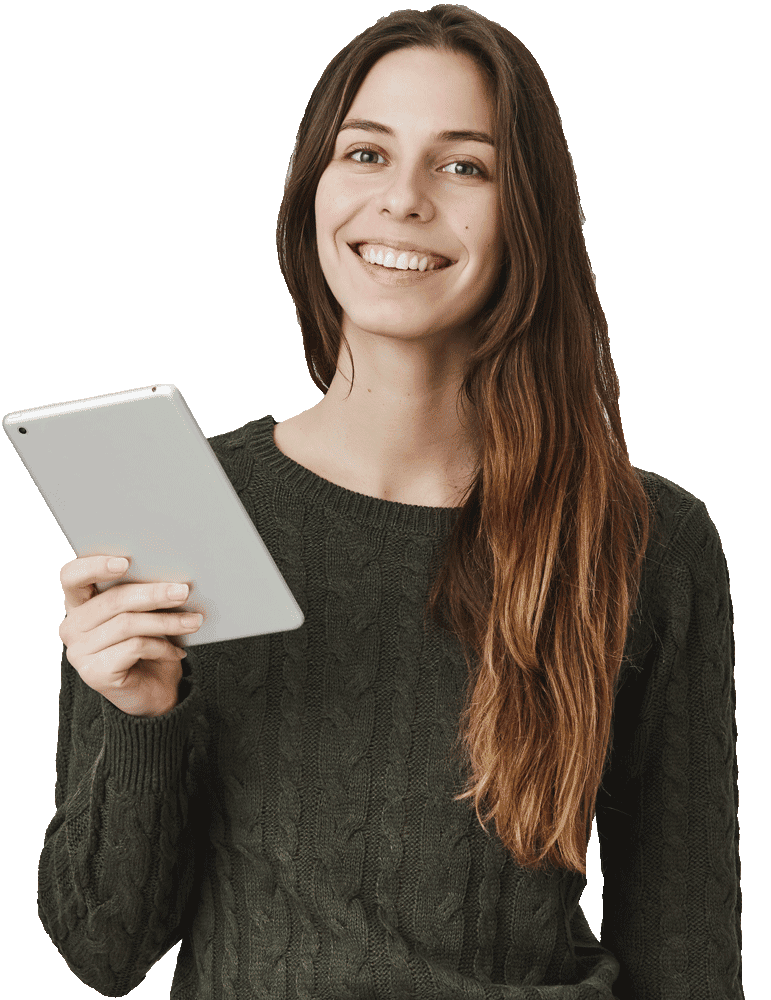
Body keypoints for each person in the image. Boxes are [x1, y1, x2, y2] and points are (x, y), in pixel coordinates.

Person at [38, 5, 743, 998]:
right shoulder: (180, 504)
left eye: (466, 166)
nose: (403, 199)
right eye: (365, 154)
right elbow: (102, 948)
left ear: (529, 212)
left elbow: (687, 951)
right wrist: (141, 714)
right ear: (309, 192)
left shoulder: (644, 539)